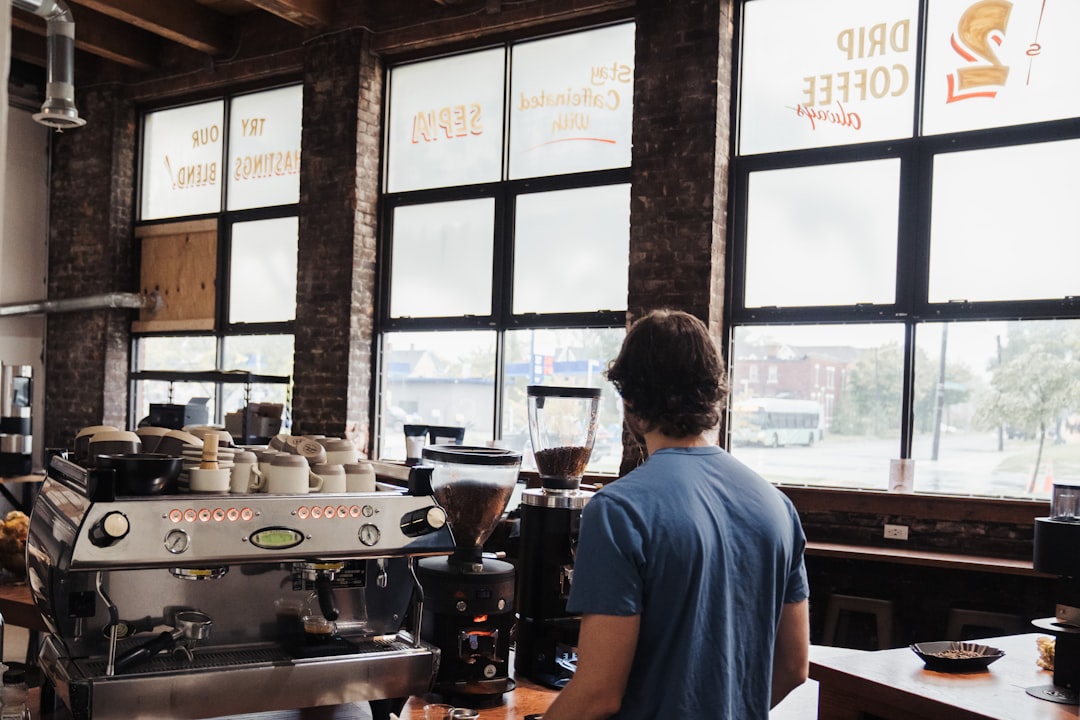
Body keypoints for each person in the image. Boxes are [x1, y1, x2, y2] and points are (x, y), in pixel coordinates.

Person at [541, 309, 810, 720]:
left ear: (628, 398)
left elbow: (598, 693)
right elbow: (794, 669)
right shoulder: (778, 507)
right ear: (714, 392)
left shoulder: (619, 511)